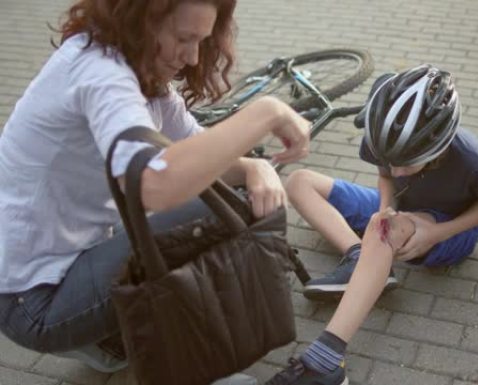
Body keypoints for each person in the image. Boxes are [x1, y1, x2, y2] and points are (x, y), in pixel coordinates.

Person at [0, 0, 310, 380]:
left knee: (229, 194)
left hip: (68, 260)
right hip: (31, 299)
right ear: (139, 20)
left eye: (201, 41)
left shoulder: (137, 72)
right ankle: (190, 364)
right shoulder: (98, 72)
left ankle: (113, 339)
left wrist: (253, 166)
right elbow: (154, 185)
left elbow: (200, 151)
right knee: (225, 210)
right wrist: (267, 112)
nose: (194, 58)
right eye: (184, 38)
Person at [266, 65, 478, 384]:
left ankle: (326, 359)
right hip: (404, 211)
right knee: (299, 181)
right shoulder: (383, 138)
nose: (396, 169)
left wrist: (436, 232)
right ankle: (358, 257)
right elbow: (384, 177)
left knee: (385, 232)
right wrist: (384, 208)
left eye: (406, 163)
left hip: (449, 229)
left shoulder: (469, 158)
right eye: (389, 159)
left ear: (437, 146)